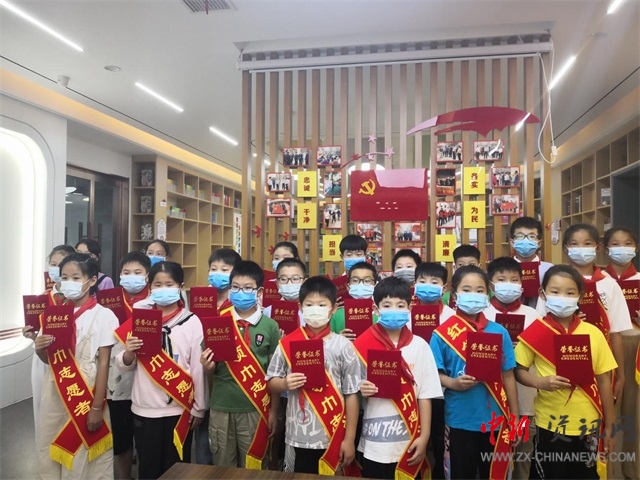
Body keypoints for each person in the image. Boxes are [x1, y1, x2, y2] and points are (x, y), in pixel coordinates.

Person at [515, 265, 617, 479]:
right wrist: (540, 383)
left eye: (570, 293)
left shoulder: (593, 333)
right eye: (555, 291)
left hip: (588, 424)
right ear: (543, 294)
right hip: (549, 424)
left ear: (580, 296)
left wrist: (610, 426)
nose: (562, 297)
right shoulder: (536, 332)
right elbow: (519, 370)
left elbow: (604, 381)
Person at [116, 261, 207, 479]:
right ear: (150, 287)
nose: (163, 289)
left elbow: (198, 367)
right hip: (144, 408)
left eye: (169, 284)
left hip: (180, 409)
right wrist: (129, 353)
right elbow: (123, 363)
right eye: (158, 285)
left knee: (178, 470)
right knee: (148, 469)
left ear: (180, 287)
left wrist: (199, 407)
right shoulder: (140, 317)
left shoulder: (192, 321)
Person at [430, 266, 520, 479]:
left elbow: (508, 375)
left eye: (480, 290)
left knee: (494, 474)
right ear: (454, 295)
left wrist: (515, 418)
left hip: (496, 420)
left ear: (488, 294)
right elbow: (434, 375)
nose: (474, 295)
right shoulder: (442, 334)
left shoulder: (499, 331)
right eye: (466, 290)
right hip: (459, 419)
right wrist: (453, 383)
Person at [266, 276, 362, 475]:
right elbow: (271, 381)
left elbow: (352, 393)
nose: (315, 309)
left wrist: (349, 439)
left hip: (334, 434)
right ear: (300, 308)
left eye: (322, 304)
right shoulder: (287, 343)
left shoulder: (343, 346)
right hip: (297, 435)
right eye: (309, 305)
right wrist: (284, 384)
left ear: (333, 309)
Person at [35, 253, 117, 478]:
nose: (68, 283)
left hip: (87, 390)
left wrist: (97, 407)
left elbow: (104, 362)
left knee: (83, 453)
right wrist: (39, 349)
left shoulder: (104, 315)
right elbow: (48, 359)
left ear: (92, 280)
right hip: (55, 388)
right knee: (49, 445)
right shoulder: (53, 315)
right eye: (64, 278)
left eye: (75, 277)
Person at [354, 277, 442, 479]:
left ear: (410, 308)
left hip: (410, 438)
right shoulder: (361, 344)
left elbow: (425, 395)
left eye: (400, 305)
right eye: (387, 305)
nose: (394, 309)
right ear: (376, 309)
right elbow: (350, 390)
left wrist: (425, 436)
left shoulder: (420, 346)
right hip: (374, 443)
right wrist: (361, 388)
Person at [536, 224, 632, 402]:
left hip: (601, 361)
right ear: (566, 248)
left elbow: (616, 333)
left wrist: (620, 375)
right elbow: (540, 325)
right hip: (561, 358)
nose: (581, 249)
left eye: (587, 243)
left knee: (600, 407)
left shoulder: (609, 284)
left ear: (598, 247)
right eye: (574, 244)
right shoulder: (554, 283)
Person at [201, 261, 280, 469]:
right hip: (221, 406)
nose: (240, 293)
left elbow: (274, 374)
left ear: (259, 292)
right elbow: (210, 369)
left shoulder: (270, 326)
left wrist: (273, 411)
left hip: (255, 407)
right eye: (235, 287)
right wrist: (207, 368)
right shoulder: (217, 322)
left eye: (247, 288)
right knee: (222, 466)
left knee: (254, 468)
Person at [484, 257, 541, 480]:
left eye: (514, 279)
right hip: (491, 400)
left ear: (521, 283)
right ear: (491, 284)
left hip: (526, 399)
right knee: (492, 457)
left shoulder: (533, 315)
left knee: (524, 457)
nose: (508, 284)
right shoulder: (482, 315)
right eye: (501, 279)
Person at [104, 251, 151, 479]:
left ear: (147, 275)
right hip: (117, 378)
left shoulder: (156, 300)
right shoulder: (109, 300)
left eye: (137, 272)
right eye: (126, 272)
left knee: (146, 439)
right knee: (121, 438)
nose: (131, 276)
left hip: (149, 375)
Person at [23, 244, 75, 436]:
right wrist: (32, 336)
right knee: (43, 404)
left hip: (70, 358)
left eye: (61, 264)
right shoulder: (41, 301)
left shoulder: (78, 298)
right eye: (53, 264)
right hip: (43, 360)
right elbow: (38, 334)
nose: (56, 269)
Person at [263, 258, 307, 471]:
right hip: (278, 388)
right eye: (284, 279)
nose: (290, 284)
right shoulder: (267, 313)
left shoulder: (312, 310)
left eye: (295, 279)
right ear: (277, 283)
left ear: (304, 280)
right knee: (276, 433)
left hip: (306, 387)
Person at [603, 227, 640, 479]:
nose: (622, 248)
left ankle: (632, 471)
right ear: (605, 248)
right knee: (608, 410)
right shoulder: (599, 280)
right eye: (615, 243)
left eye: (628, 243)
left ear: (636, 248)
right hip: (606, 346)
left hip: (636, 348)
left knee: (633, 412)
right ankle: (608, 470)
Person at [413, 261, 455, 480]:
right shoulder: (404, 313)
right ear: (414, 284)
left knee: (440, 440)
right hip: (412, 390)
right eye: (423, 281)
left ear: (444, 288)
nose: (428, 285)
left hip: (442, 390)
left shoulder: (452, 318)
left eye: (434, 281)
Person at [509, 216, 554, 307]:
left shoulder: (550, 269)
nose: (526, 240)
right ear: (512, 242)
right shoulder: (503, 269)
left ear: (539, 243)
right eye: (520, 236)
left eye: (532, 236)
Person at [330, 262, 380, 339]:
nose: (361, 284)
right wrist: (339, 339)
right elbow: (328, 343)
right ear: (348, 287)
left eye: (367, 281)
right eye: (355, 280)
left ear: (375, 285)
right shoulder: (337, 314)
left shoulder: (382, 314)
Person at [208, 248, 242, 315]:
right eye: (213, 269)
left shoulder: (241, 301)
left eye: (224, 270)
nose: (218, 273)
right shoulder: (203, 298)